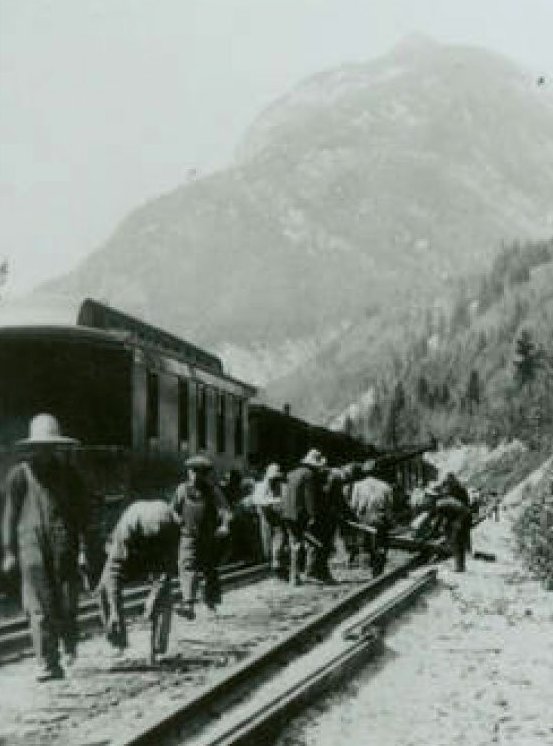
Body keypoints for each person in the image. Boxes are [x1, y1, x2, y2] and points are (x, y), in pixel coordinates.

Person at [2, 413, 99, 681]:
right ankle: (47, 662)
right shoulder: (19, 476)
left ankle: (68, 645)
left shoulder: (69, 476)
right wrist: (9, 552)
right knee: (38, 607)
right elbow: (9, 516)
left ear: (56, 447)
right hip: (30, 548)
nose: (44, 452)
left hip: (63, 546)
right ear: (32, 447)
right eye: (40, 447)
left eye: (49, 447)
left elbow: (83, 515)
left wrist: (85, 549)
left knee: (66, 605)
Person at [96, 499, 180, 663]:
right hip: (130, 555)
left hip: (153, 556)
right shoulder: (127, 527)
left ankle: (158, 648)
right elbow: (114, 572)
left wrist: (154, 596)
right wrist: (114, 610)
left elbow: (166, 569)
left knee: (164, 596)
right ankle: (117, 640)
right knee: (104, 589)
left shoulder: (172, 526)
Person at [172, 455, 231, 619]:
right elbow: (174, 509)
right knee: (187, 567)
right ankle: (188, 604)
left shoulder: (213, 490)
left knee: (209, 570)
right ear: (189, 472)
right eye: (192, 472)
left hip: (208, 537)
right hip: (188, 536)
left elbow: (225, 510)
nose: (195, 475)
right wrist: (176, 519)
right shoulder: (182, 489)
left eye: (199, 472)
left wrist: (224, 525)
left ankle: (211, 605)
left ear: (206, 474)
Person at [282, 448, 327, 585]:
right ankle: (302, 575)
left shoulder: (291, 473)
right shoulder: (309, 475)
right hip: (299, 514)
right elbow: (309, 498)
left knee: (293, 544)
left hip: (287, 513)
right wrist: (312, 516)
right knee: (304, 545)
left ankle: (293, 576)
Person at [350, 459, 393, 576]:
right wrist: (389, 522)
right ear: (378, 471)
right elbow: (389, 507)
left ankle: (367, 570)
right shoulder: (386, 486)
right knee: (380, 546)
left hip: (364, 520)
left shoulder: (357, 486)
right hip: (380, 519)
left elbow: (353, 506)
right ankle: (378, 571)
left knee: (364, 546)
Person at [252, 463, 288, 579]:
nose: (275, 480)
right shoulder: (261, 486)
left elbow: (285, 500)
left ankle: (277, 564)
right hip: (266, 517)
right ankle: (270, 564)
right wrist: (273, 501)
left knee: (279, 541)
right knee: (266, 543)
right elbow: (257, 500)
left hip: (278, 517)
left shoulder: (282, 486)